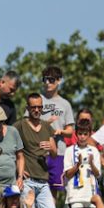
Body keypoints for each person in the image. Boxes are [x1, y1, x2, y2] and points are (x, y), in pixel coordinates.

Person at [14, 93, 59, 208]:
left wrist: (51, 147)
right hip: (27, 181)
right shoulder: (20, 125)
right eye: (33, 107)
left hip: (43, 180)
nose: (37, 110)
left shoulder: (47, 126)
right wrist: (18, 168)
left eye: (40, 107)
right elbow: (9, 147)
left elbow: (54, 154)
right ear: (28, 108)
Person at [38, 66, 75, 195]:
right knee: (34, 188)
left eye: (51, 79)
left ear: (59, 81)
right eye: (45, 79)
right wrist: (46, 125)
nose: (47, 83)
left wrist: (61, 131)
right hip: (38, 152)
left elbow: (70, 130)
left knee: (53, 191)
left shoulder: (65, 104)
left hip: (59, 152)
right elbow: (27, 123)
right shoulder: (37, 100)